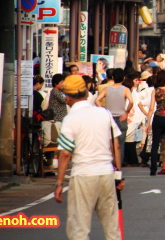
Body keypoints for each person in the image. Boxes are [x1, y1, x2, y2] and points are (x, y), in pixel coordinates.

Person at [54, 75, 124, 239]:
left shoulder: (70, 119)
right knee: (112, 227)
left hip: (83, 174)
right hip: (106, 173)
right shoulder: (104, 114)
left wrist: (59, 183)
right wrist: (119, 176)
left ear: (67, 97)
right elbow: (116, 146)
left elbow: (65, 153)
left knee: (79, 228)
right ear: (86, 93)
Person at [96, 68, 134, 162]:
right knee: (120, 145)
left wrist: (103, 111)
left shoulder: (106, 89)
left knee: (109, 143)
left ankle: (109, 165)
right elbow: (131, 101)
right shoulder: (125, 89)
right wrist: (126, 112)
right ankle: (118, 168)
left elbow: (97, 100)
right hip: (121, 118)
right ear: (123, 78)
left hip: (109, 118)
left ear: (113, 77)